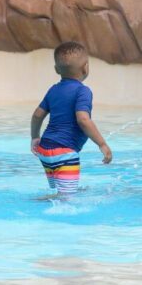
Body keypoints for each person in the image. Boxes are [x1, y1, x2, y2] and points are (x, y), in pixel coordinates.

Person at [31, 41, 112, 197]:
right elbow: (83, 119)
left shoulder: (53, 90)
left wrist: (35, 137)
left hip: (45, 150)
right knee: (65, 200)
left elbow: (37, 115)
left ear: (56, 69)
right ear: (86, 67)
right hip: (65, 153)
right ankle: (33, 203)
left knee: (58, 194)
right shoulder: (83, 91)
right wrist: (102, 144)